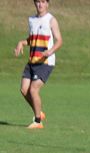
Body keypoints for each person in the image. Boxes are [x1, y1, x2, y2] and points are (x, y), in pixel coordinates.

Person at [14, 0, 63, 129]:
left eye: (43, 2)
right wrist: (21, 42)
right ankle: (39, 112)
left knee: (33, 89)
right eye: (37, 2)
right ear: (34, 3)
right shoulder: (31, 20)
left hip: (45, 62)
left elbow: (59, 41)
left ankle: (38, 121)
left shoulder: (51, 20)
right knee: (24, 89)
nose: (40, 4)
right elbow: (33, 39)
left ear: (47, 4)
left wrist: (50, 51)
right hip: (32, 61)